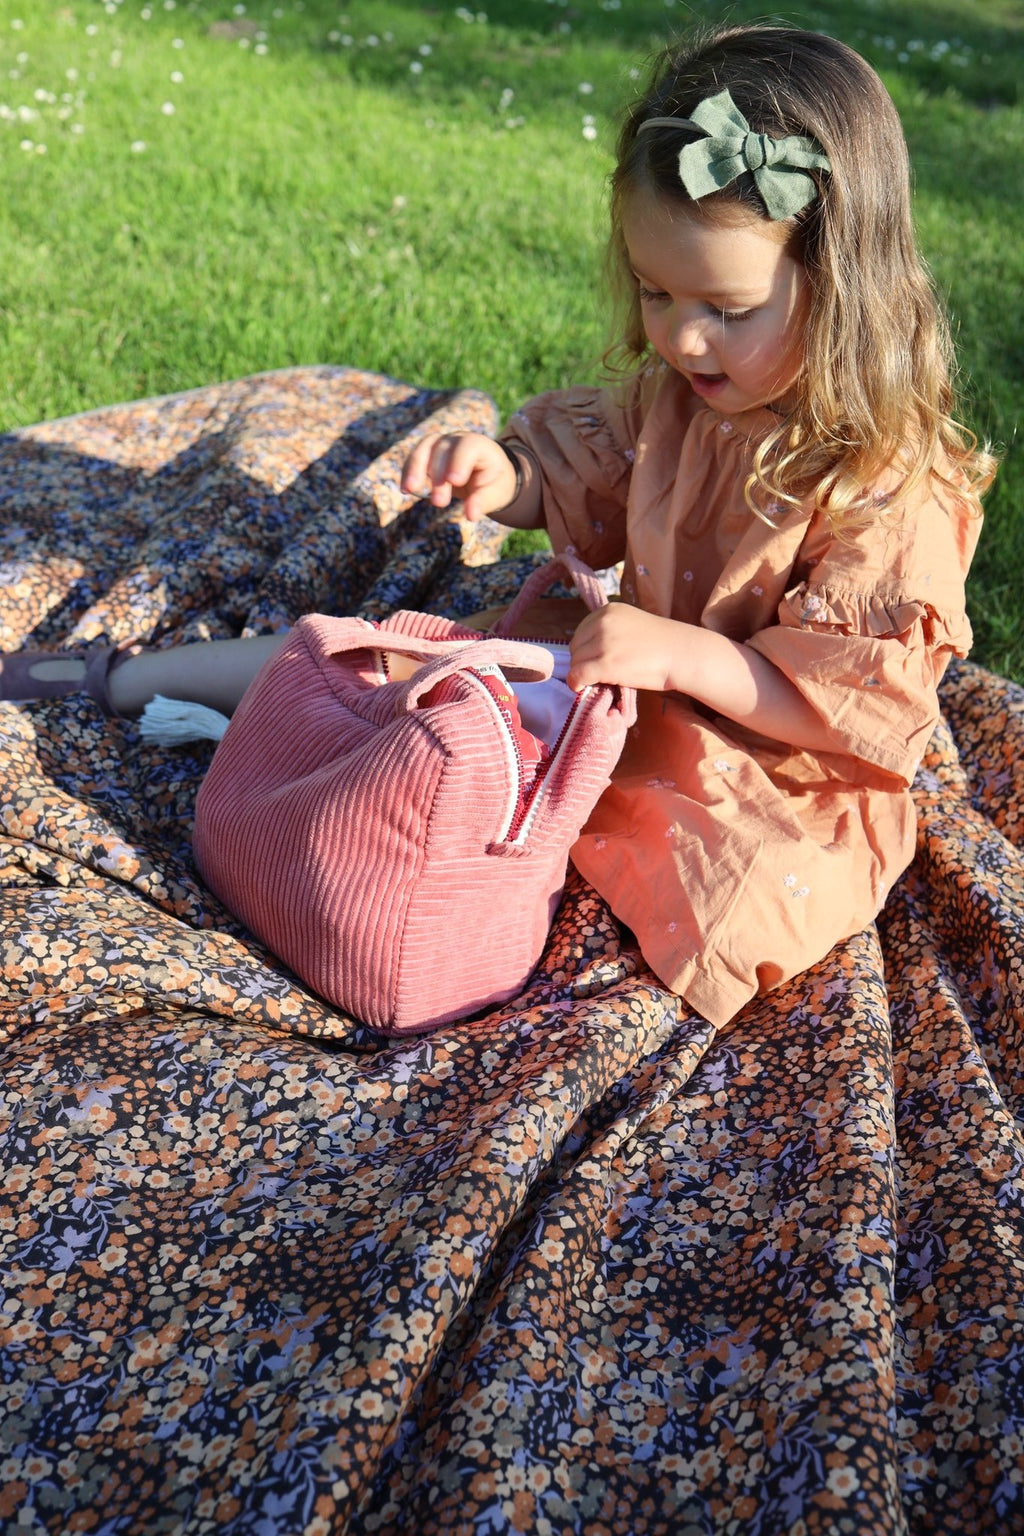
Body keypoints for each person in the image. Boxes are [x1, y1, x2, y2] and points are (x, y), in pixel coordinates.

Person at [0, 23, 995, 1027]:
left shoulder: (888, 485)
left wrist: (679, 655)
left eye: (724, 307)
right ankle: (121, 679)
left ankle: (427, 896)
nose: (681, 335)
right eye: (654, 292)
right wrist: (505, 479)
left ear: (839, 290)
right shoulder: (684, 400)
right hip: (618, 681)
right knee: (393, 667)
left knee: (716, 889)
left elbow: (832, 704)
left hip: (759, 760)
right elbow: (587, 485)